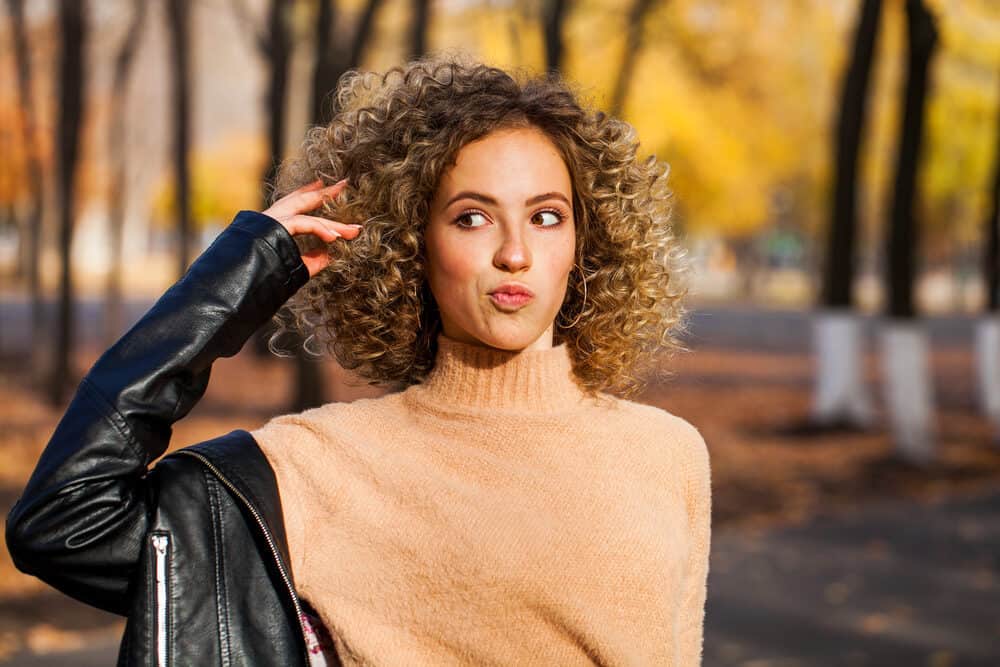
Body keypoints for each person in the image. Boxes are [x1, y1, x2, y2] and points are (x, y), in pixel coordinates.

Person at [6, 53, 710, 666]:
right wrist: (246, 272)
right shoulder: (319, 468)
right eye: (472, 216)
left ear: (582, 244)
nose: (515, 252)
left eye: (546, 215)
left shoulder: (668, 455)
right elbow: (65, 520)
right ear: (414, 244)